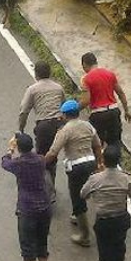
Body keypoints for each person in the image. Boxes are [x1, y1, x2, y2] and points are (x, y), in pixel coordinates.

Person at [43, 100, 104, 247]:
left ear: (64, 115)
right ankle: (80, 215)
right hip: (90, 163)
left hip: (76, 167)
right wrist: (99, 163)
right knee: (88, 190)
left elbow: (53, 152)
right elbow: (97, 145)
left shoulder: (65, 130)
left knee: (77, 199)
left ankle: (84, 236)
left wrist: (39, 164)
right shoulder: (88, 125)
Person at [1, 132, 54, 261]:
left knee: (27, 246)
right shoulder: (40, 160)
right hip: (45, 206)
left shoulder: (18, 164)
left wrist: (10, 149)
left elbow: (4, 162)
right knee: (42, 241)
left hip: (27, 209)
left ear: (19, 148)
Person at [18, 61, 66, 181]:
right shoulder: (58, 87)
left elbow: (24, 111)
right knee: (53, 155)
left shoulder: (32, 89)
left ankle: (45, 189)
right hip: (59, 125)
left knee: (42, 157)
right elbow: (65, 107)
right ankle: (51, 183)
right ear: (49, 73)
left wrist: (21, 128)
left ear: (36, 74)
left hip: (43, 126)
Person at [80, 51, 131, 149]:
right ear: (96, 62)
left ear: (84, 65)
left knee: (97, 144)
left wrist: (74, 109)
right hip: (113, 111)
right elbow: (121, 93)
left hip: (98, 114)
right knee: (115, 142)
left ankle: (100, 163)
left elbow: (86, 101)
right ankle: (115, 162)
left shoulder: (86, 79)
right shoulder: (110, 74)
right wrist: (126, 111)